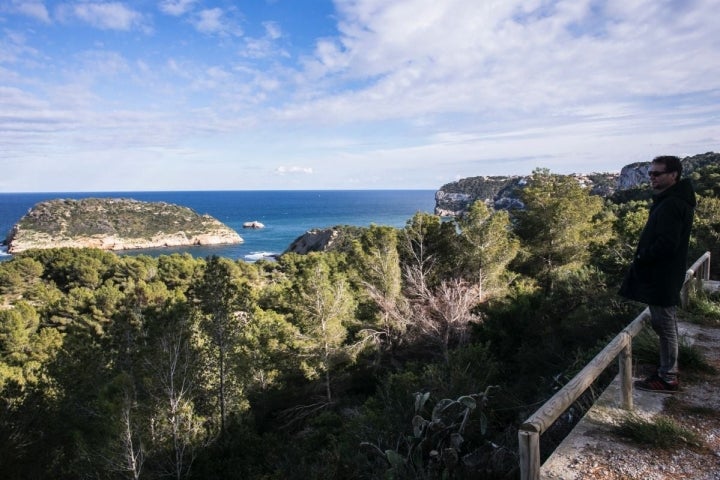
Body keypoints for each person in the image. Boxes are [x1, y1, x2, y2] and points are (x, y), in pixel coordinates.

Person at [619, 155, 696, 393]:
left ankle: (668, 376)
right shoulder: (675, 200)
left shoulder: (672, 204)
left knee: (665, 324)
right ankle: (667, 371)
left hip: (662, 275)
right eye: (650, 173)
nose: (651, 177)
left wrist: (643, 256)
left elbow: (667, 244)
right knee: (663, 323)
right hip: (665, 274)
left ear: (673, 175)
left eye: (657, 173)